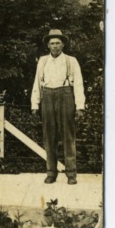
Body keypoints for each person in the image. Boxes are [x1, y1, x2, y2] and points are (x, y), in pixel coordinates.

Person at [30, 30, 85, 185]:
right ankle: (51, 173)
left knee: (68, 136)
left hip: (66, 96)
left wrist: (80, 106)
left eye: (58, 43)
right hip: (47, 97)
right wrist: (35, 104)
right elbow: (37, 83)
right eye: (52, 43)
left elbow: (79, 84)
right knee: (49, 137)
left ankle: (71, 174)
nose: (55, 46)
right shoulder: (42, 61)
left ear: (63, 44)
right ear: (48, 45)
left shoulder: (71, 61)